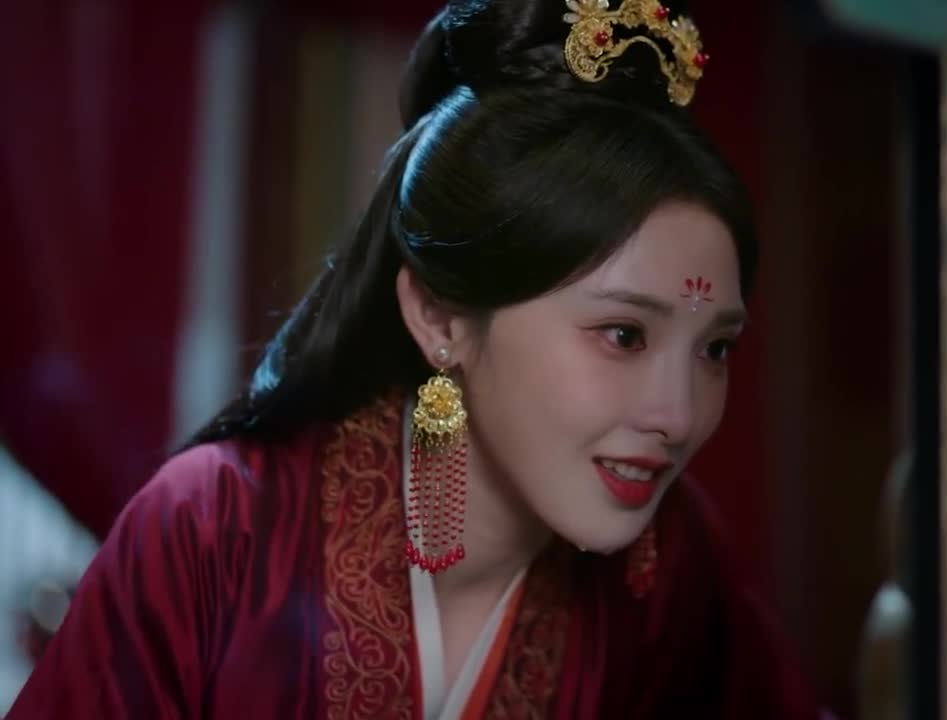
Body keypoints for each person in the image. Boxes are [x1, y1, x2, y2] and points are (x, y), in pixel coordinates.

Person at [9, 0, 823, 717]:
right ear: (440, 316)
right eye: (623, 335)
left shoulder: (665, 561)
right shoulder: (215, 528)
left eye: (715, 348)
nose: (678, 415)